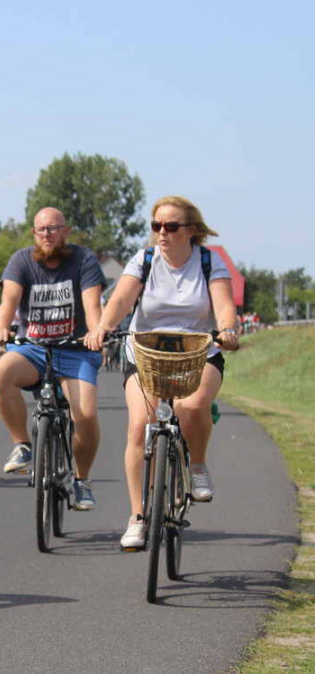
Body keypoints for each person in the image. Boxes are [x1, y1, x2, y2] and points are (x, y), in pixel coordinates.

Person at [84, 195, 239, 549]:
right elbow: (121, 300)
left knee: (194, 405)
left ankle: (196, 465)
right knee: (140, 425)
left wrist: (228, 329)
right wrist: (103, 328)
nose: (162, 233)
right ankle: (138, 516)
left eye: (171, 226)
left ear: (192, 230)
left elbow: (224, 305)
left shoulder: (207, 262)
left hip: (198, 351)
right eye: (157, 226)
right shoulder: (145, 259)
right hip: (146, 351)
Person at [0, 207, 105, 510]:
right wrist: (2, 326)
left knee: (86, 415)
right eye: (42, 229)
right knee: (0, 374)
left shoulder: (83, 260)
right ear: (34, 233)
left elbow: (92, 305)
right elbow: (9, 300)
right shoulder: (21, 260)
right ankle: (23, 446)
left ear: (65, 231)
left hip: (75, 348)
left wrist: (96, 332)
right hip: (34, 349)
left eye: (54, 228)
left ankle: (81, 480)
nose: (47, 234)